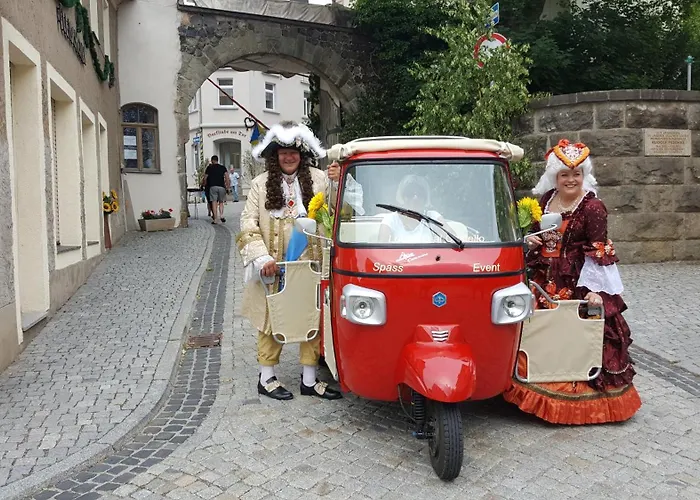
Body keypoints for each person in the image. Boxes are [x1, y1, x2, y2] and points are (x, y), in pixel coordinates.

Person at [503, 139, 642, 425]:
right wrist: (531, 241)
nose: (570, 179)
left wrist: (594, 291)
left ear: (584, 175)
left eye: (576, 174)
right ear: (555, 176)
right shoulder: (545, 200)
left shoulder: (593, 207)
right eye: (564, 174)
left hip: (577, 280)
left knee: (574, 334)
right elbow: (534, 235)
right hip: (542, 277)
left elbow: (599, 249)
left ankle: (574, 400)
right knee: (538, 330)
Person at [236, 121, 360, 401]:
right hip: (273, 266)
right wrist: (262, 258)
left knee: (312, 318)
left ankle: (309, 379)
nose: (289, 157)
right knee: (270, 318)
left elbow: (345, 211)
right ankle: (266, 378)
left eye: (293, 152)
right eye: (283, 153)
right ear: (275, 156)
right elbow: (247, 224)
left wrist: (339, 181)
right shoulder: (259, 184)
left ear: (302, 155)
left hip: (312, 266)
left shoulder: (320, 179)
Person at [378, 174, 453, 243]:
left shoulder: (432, 217)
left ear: (425, 198)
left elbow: (453, 240)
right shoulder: (391, 219)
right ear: (403, 197)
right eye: (410, 193)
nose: (415, 198)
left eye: (420, 194)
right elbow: (381, 248)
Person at [203, 155, 229, 224]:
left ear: (212, 160)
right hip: (221, 187)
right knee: (221, 202)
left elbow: (205, 178)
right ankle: (221, 215)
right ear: (217, 160)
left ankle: (215, 218)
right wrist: (227, 187)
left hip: (213, 187)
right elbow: (227, 177)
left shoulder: (209, 168)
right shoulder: (223, 168)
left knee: (214, 202)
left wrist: (204, 184)